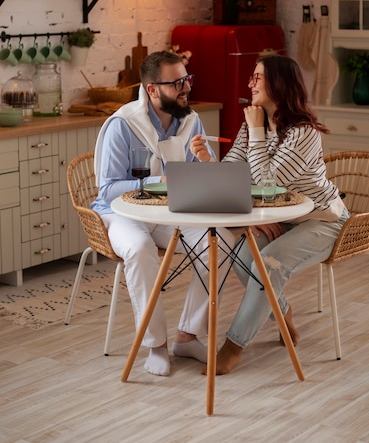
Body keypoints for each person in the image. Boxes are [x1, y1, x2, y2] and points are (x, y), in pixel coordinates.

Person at [190, 54, 349, 375]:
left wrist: (257, 131)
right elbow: (233, 180)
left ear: (279, 84)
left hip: (324, 220)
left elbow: (268, 184)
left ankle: (233, 347)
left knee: (270, 262)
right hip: (283, 218)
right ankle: (283, 313)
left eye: (257, 78)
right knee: (240, 255)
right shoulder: (252, 129)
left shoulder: (303, 133)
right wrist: (208, 160)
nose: (250, 83)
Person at [92, 50, 235, 376]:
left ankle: (187, 336)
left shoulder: (191, 121)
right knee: (141, 250)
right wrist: (161, 180)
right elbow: (108, 189)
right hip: (123, 213)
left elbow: (207, 179)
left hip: (172, 210)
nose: (186, 89)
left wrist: (205, 162)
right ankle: (155, 344)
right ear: (152, 89)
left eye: (187, 80)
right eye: (177, 83)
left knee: (221, 243)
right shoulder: (123, 125)